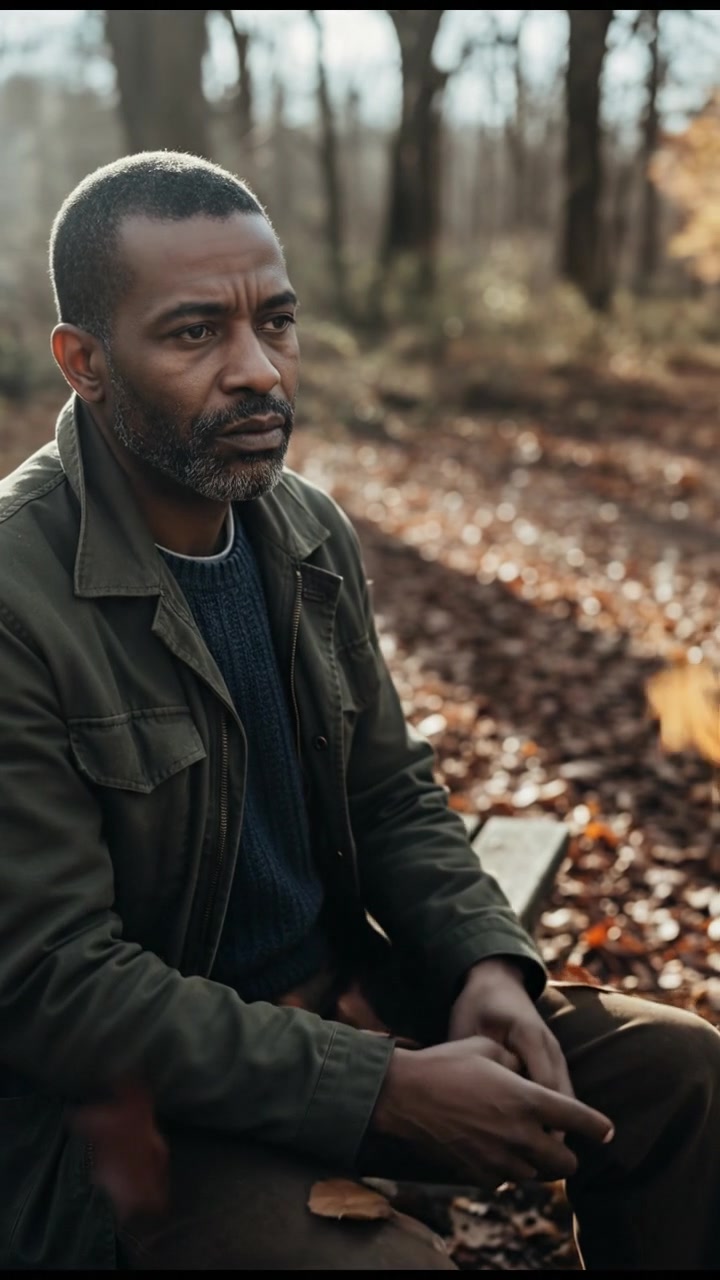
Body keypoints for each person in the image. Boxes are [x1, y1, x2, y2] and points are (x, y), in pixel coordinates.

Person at [0, 151, 718, 1273]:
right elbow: (54, 984)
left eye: (276, 322)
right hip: (134, 1119)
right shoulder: (15, 598)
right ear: (84, 362)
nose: (259, 371)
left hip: (353, 1001)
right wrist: (377, 1091)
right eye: (195, 333)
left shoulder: (304, 534)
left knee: (682, 1079)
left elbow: (391, 791)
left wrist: (485, 962)